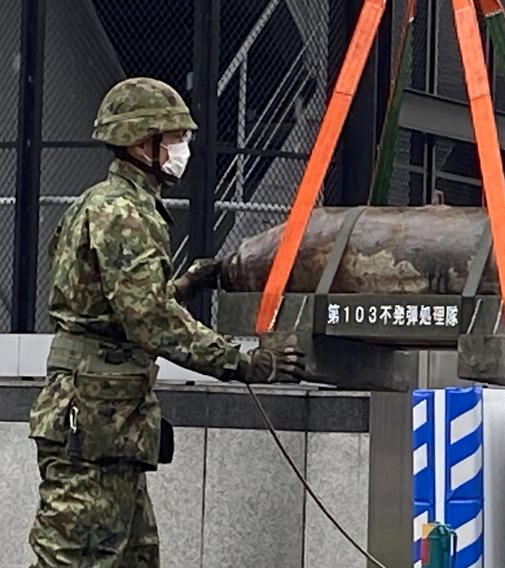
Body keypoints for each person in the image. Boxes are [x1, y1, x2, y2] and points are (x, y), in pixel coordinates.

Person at [28, 77, 306, 567]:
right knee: (78, 558)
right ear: (142, 142)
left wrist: (184, 284)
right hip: (95, 419)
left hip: (109, 423)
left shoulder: (103, 203)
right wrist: (244, 362)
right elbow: (149, 321)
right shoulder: (123, 214)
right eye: (174, 138)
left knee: (132, 558)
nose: (183, 149)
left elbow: (109, 308)